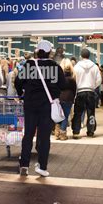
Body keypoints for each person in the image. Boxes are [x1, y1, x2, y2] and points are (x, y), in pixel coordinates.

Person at [15, 40, 65, 177]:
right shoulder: (55, 66)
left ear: (37, 51)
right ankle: (42, 167)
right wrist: (54, 92)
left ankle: (24, 165)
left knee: (28, 135)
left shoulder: (29, 65)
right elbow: (63, 84)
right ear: (50, 52)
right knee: (44, 137)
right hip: (47, 106)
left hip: (30, 105)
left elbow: (18, 81)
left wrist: (21, 93)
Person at [71, 49, 102, 139]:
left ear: (81, 56)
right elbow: (99, 80)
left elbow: (74, 79)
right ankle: (91, 131)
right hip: (90, 92)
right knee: (91, 113)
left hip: (80, 92)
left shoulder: (76, 67)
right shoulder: (94, 67)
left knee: (78, 113)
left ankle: (76, 132)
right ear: (89, 56)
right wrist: (93, 86)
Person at [57, 58, 77, 140]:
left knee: (58, 116)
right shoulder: (72, 79)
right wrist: (73, 99)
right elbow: (74, 90)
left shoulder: (58, 78)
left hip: (59, 98)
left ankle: (57, 132)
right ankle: (62, 134)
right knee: (65, 116)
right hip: (68, 98)